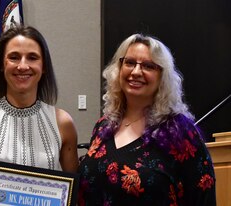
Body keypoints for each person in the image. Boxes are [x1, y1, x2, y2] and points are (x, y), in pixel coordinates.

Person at [78, 34, 216, 205]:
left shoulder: (181, 132)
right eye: (129, 63)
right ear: (119, 69)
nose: (136, 72)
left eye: (148, 66)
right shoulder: (103, 126)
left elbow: (203, 198)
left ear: (162, 77)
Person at [0, 25, 79, 205]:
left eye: (32, 57)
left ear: (44, 67)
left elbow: (72, 193)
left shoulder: (63, 123)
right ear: (2, 66)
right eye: (14, 57)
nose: (23, 65)